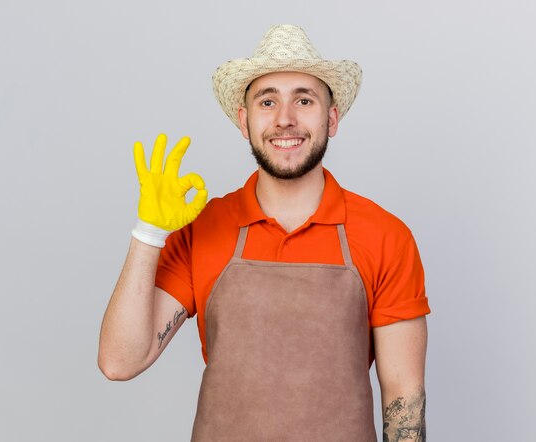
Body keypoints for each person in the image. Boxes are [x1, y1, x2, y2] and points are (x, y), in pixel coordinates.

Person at [98, 24, 430, 441]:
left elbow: (403, 398)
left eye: (303, 100)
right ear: (244, 121)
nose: (285, 119)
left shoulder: (385, 236)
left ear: (331, 118)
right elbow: (119, 362)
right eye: (267, 101)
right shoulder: (204, 229)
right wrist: (148, 233)